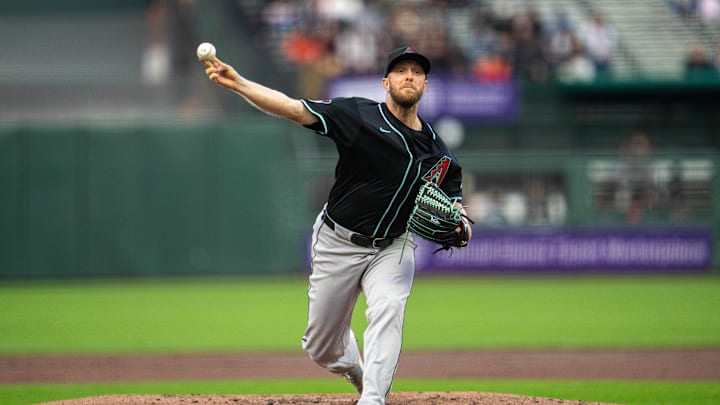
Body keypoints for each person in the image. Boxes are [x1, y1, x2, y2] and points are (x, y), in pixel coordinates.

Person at [200, 46, 471, 404]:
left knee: (389, 307)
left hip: (393, 248)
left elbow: (457, 209)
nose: (409, 76)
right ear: (385, 82)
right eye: (401, 70)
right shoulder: (358, 114)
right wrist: (239, 84)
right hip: (337, 241)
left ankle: (372, 399)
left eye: (417, 72)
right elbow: (294, 108)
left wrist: (462, 227)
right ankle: (355, 370)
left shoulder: (440, 154)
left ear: (425, 83)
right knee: (321, 347)